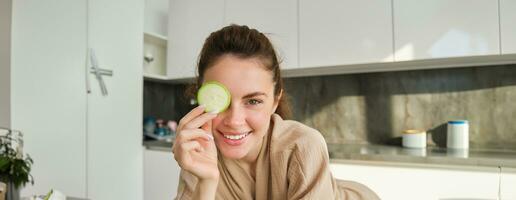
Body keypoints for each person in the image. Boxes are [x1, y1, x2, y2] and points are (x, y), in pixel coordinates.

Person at [172, 24, 379, 200]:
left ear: (274, 102)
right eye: (221, 100)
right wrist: (206, 183)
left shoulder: (303, 146)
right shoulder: (197, 154)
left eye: (253, 101)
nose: (235, 121)